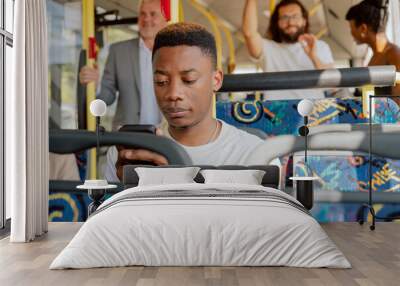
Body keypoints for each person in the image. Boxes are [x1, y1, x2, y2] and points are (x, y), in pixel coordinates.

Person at [104, 22, 281, 182]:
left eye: (188, 80)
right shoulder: (127, 155)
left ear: (216, 80)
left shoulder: (257, 156)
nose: (173, 94)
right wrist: (127, 191)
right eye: (161, 82)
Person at [79, 0, 168, 130]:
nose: (146, 19)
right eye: (142, 14)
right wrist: (96, 84)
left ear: (165, 19)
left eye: (153, 14)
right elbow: (107, 98)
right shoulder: (118, 51)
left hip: (165, 135)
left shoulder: (175, 52)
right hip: (127, 136)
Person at [242, 0, 334, 100]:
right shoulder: (268, 47)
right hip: (276, 112)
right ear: (277, 23)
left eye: (295, 16)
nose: (290, 22)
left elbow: (331, 84)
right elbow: (249, 33)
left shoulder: (320, 46)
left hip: (314, 111)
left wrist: (313, 56)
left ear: (304, 20)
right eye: (284, 17)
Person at [346, 0, 400, 104]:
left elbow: (397, 105)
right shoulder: (375, 57)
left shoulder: (394, 55)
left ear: (363, 29)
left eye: (351, 28)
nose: (351, 34)